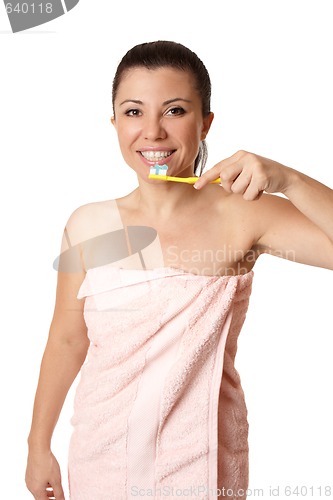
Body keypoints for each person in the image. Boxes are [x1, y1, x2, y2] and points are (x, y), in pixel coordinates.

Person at [25, 40, 333, 500]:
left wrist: (288, 179)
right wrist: (37, 445)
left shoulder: (245, 214)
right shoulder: (87, 223)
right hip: (100, 460)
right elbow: (68, 339)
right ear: (113, 123)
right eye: (133, 112)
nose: (152, 132)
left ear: (206, 122)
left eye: (174, 111)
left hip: (203, 466)